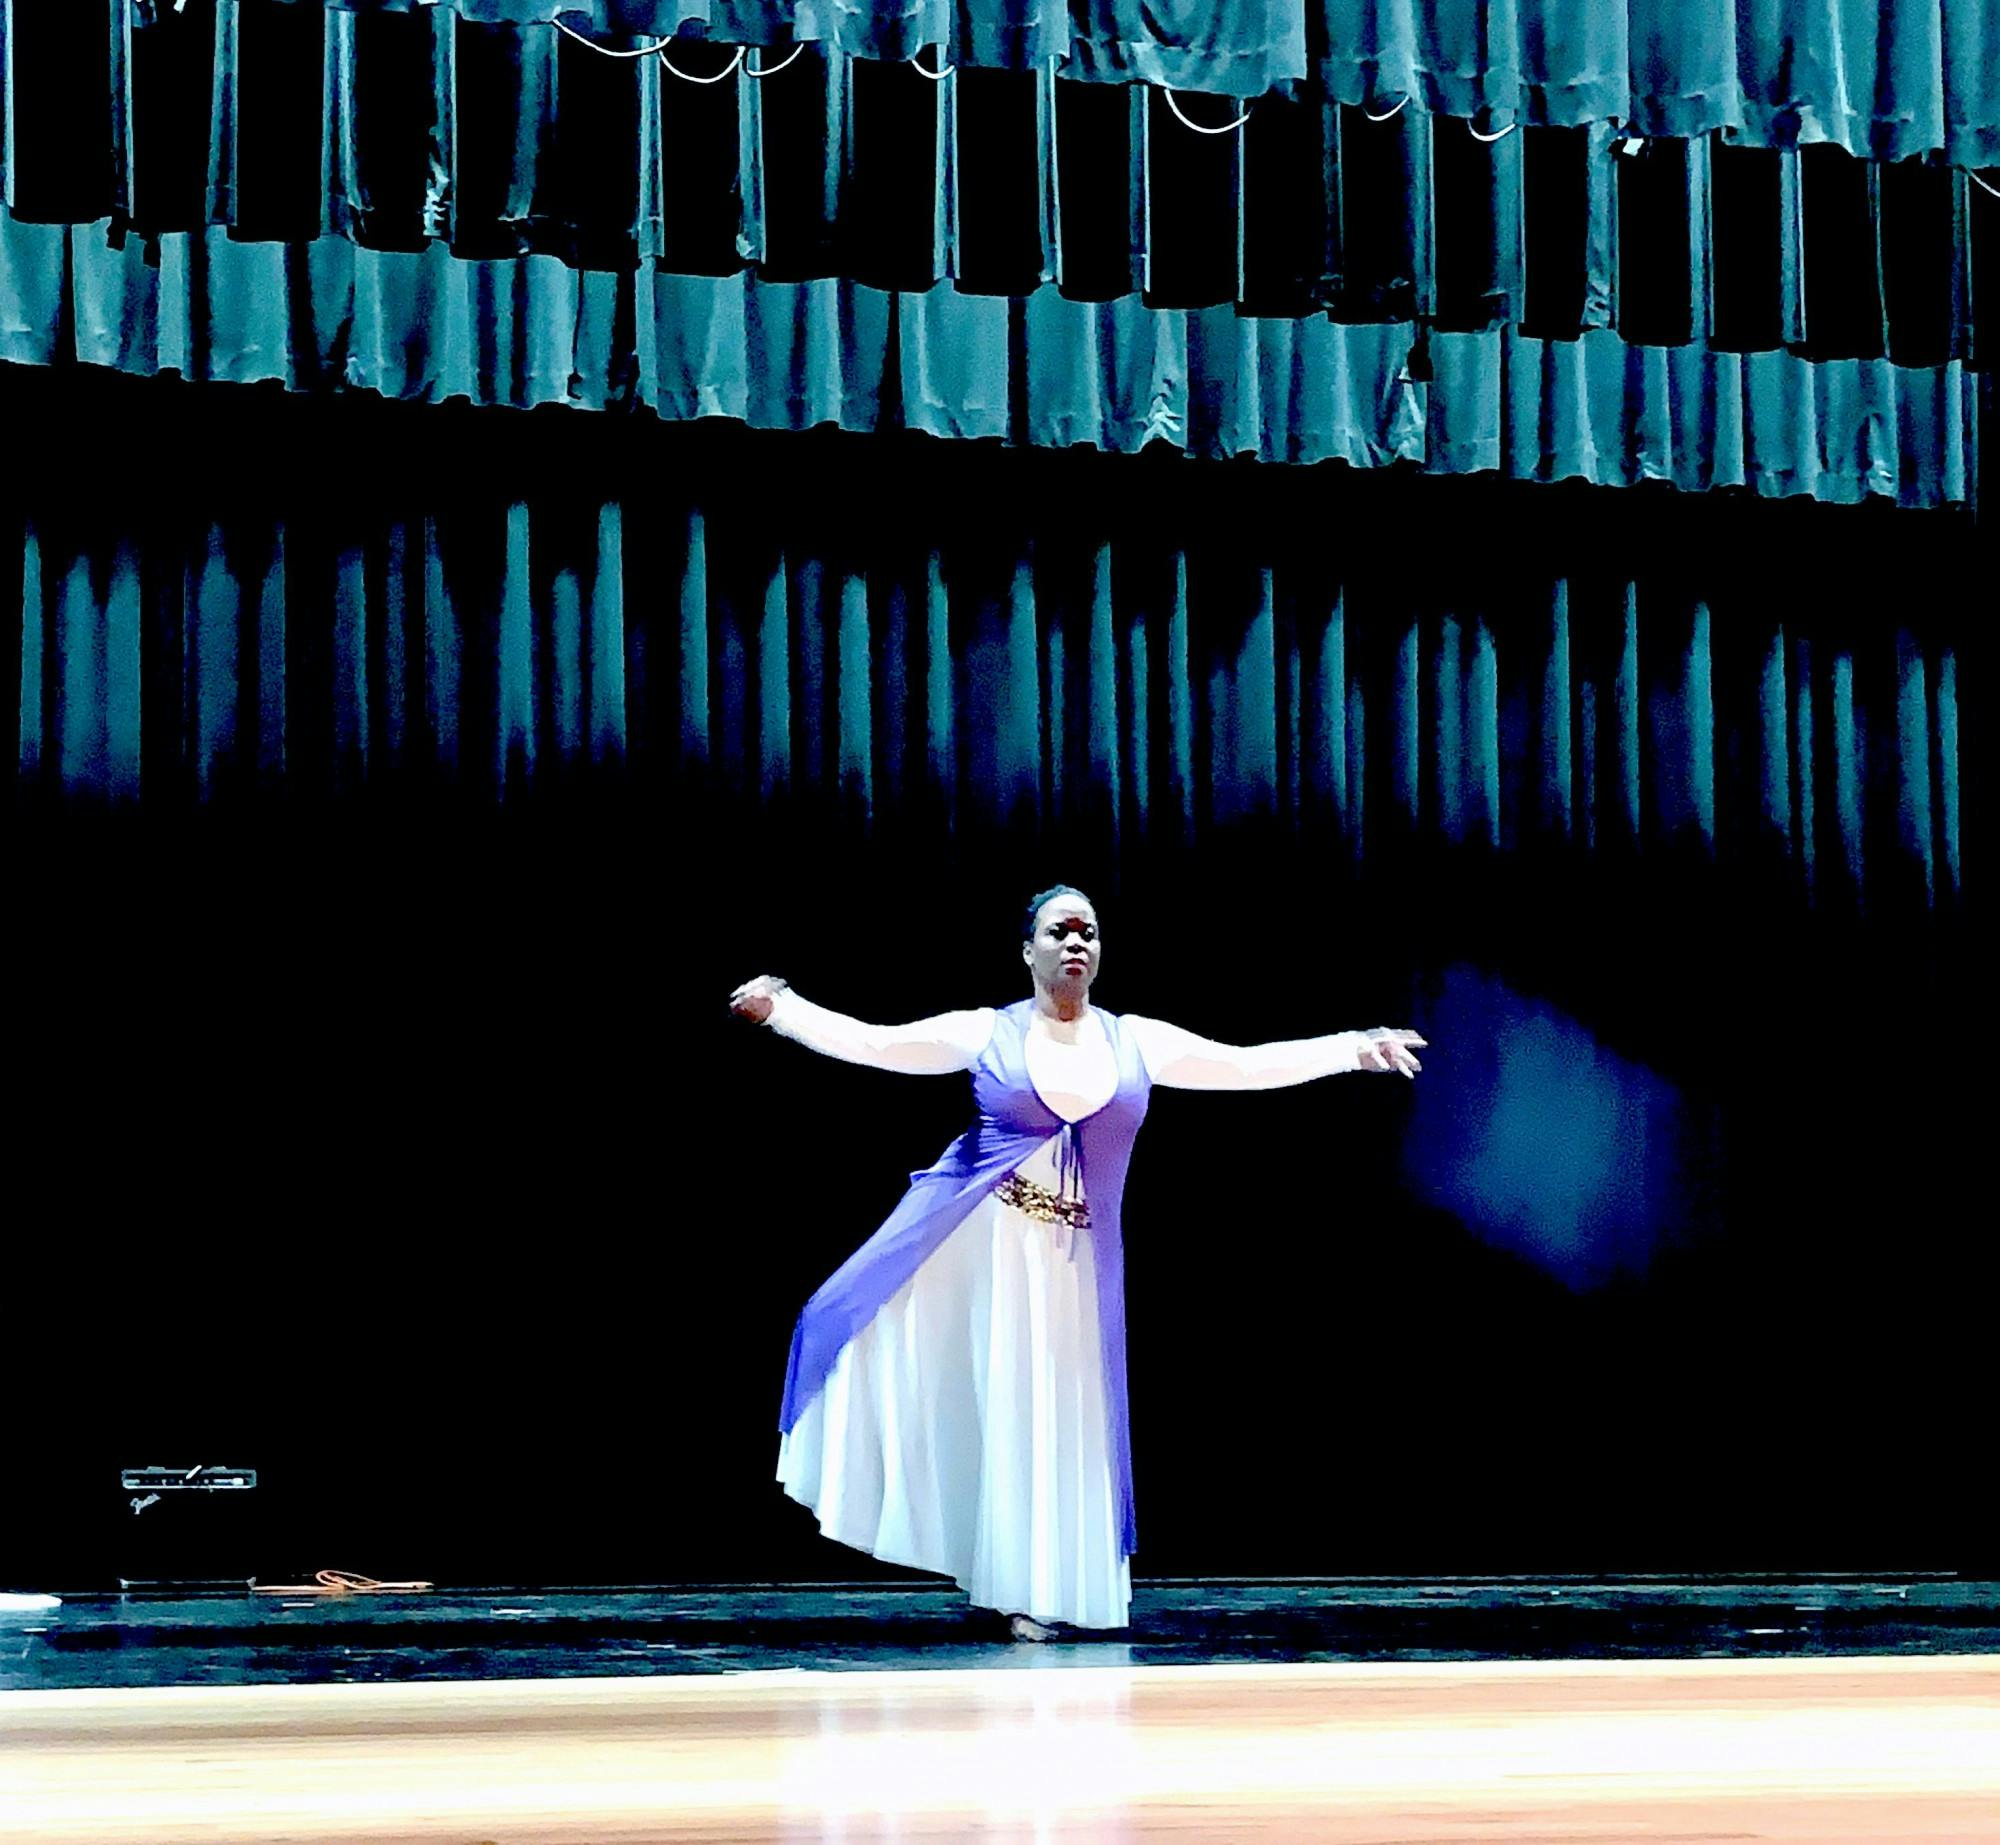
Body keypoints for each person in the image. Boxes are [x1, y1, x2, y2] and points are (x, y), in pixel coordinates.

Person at [731, 885, 1425, 1642]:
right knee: (1004, 1411)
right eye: (1059, 930)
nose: (1075, 942)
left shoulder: (1138, 1041)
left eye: (1088, 932)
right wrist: (786, 1011)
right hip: (991, 1251)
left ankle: (1050, 1584)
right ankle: (1012, 1584)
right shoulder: (986, 1032)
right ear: (1027, 949)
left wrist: (1353, 1048)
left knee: (1066, 1421)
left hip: (1077, 1265)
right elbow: (879, 1043)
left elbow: (1245, 1065)